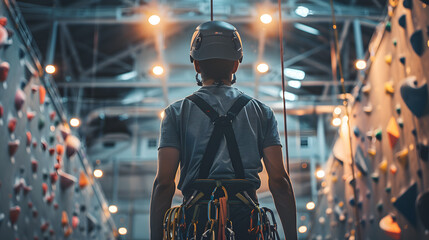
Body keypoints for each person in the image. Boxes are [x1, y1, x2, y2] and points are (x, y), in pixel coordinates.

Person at [150, 21, 297, 240]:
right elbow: (280, 182)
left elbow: (163, 183)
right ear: (236, 65)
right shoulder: (262, 112)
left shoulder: (176, 113)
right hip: (247, 221)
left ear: (197, 65)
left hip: (195, 221)